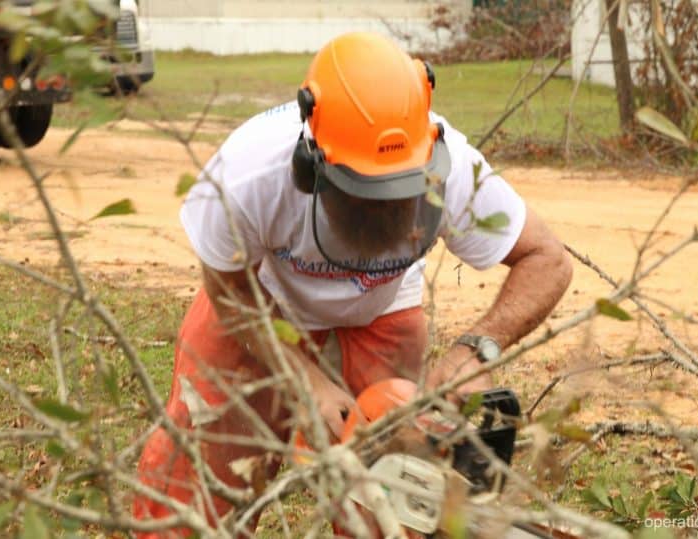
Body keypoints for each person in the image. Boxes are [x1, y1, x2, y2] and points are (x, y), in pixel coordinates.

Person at [134, 31, 573, 537]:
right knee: (195, 479)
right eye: (365, 193)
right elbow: (228, 288)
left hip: (383, 309)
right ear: (311, 164)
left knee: (403, 481)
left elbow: (548, 260)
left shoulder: (454, 172)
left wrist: (475, 352)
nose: (384, 209)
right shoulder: (247, 176)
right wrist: (304, 377)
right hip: (266, 303)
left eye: (398, 192)